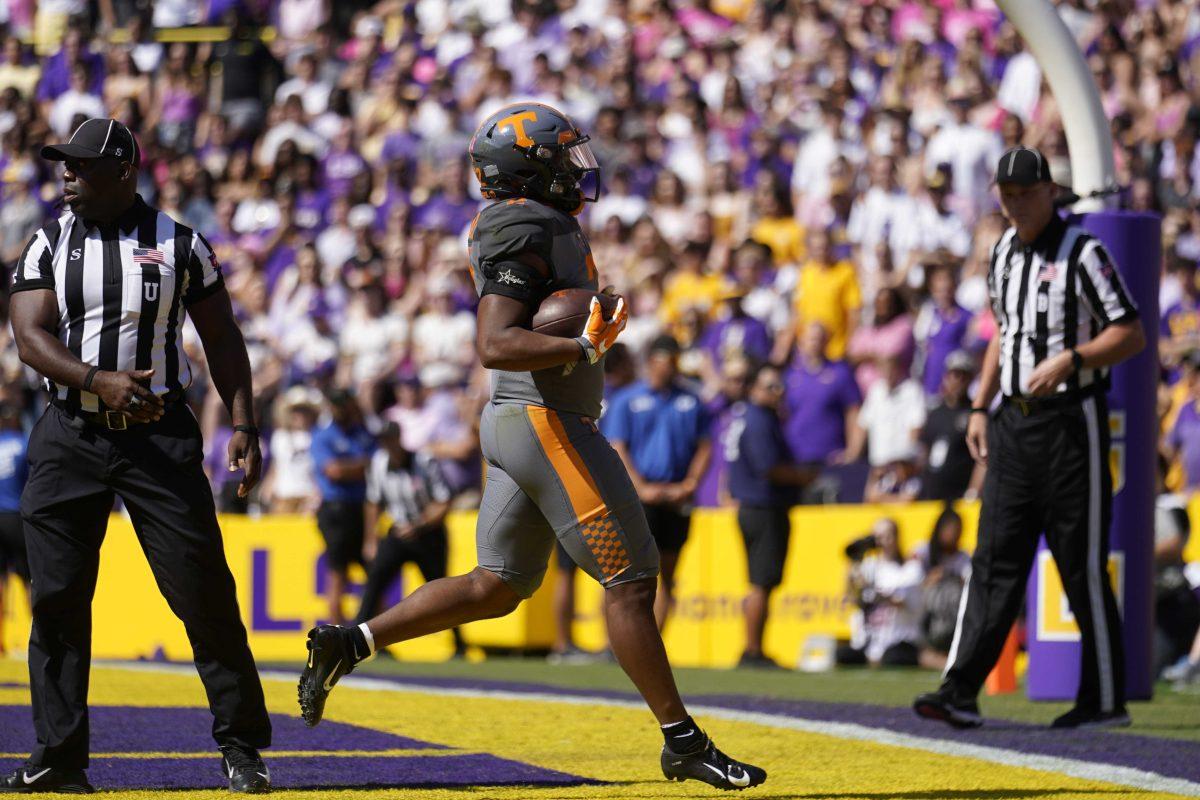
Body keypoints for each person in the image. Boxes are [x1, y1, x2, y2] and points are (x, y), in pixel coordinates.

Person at [297, 102, 766, 791]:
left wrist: (588, 335)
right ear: (528, 169)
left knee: (499, 583)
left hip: (526, 419)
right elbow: (495, 342)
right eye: (561, 158)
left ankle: (351, 641)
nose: (576, 169)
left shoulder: (534, 221)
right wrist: (582, 342)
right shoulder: (524, 221)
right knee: (632, 582)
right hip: (546, 418)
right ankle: (682, 741)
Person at [5, 118, 271, 792]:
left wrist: (244, 421)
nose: (66, 175)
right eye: (63, 164)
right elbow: (29, 338)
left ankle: (241, 745)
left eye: (81, 165)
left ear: (123, 169)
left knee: (203, 592)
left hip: (158, 436)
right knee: (58, 599)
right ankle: (60, 757)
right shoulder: (47, 243)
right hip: (70, 432)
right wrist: (99, 381)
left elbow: (222, 335)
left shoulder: (180, 244)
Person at [914, 146, 1145, 730]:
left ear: (1049, 190)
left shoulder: (1084, 253)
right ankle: (960, 689)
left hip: (1072, 421)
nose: (1015, 205)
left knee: (1079, 562)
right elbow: (1003, 334)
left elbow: (1131, 332)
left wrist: (1072, 359)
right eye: (1006, 196)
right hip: (1011, 423)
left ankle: (1104, 698)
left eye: (1025, 193)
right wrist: (978, 404)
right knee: (994, 556)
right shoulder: (1003, 253)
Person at [606, 335, 712, 630]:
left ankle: (654, 642)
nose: (673, 367)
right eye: (668, 360)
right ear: (652, 360)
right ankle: (612, 644)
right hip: (638, 496)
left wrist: (690, 483)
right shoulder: (627, 399)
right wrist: (640, 487)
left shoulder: (691, 399)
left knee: (668, 573)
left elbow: (705, 446)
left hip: (676, 494)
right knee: (623, 574)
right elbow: (618, 447)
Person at [727, 363, 813, 668]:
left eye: (780, 387)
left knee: (759, 581)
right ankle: (752, 650)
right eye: (771, 387)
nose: (779, 393)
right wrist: (804, 478)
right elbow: (769, 468)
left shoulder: (748, 417)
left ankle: (754, 647)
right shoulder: (759, 419)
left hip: (752, 506)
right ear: (754, 389)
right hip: (763, 507)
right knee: (761, 582)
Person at [355, 422, 464, 655]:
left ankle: (459, 643)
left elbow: (443, 501)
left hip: (428, 534)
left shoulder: (424, 461)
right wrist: (370, 539)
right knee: (375, 582)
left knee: (440, 589)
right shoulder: (378, 464)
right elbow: (373, 502)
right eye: (383, 441)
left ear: (399, 439)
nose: (388, 445)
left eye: (390, 439)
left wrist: (419, 524)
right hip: (398, 532)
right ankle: (358, 640)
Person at [310, 388, 376, 625]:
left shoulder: (363, 434)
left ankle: (373, 629)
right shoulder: (323, 435)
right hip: (336, 509)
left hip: (360, 509)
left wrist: (352, 468)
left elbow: (374, 465)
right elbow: (333, 471)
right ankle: (336, 629)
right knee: (338, 572)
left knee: (374, 572)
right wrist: (361, 467)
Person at [838, 518, 924, 667]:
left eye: (886, 536)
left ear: (897, 538)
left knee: (894, 659)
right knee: (842, 656)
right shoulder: (867, 566)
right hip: (868, 642)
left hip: (897, 641)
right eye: (876, 537)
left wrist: (874, 592)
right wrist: (852, 567)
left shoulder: (909, 568)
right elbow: (852, 600)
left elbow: (905, 603)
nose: (881, 542)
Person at [919, 350, 982, 501]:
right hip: (933, 491)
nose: (958, 380)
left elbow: (983, 456)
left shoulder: (975, 413)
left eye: (964, 376)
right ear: (946, 377)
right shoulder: (935, 413)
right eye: (954, 375)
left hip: (960, 493)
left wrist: (973, 491)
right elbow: (925, 451)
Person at [0, 402, 29, 643]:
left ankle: (0, 639)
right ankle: (38, 635)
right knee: (30, 578)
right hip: (14, 515)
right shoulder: (22, 444)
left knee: (1, 580)